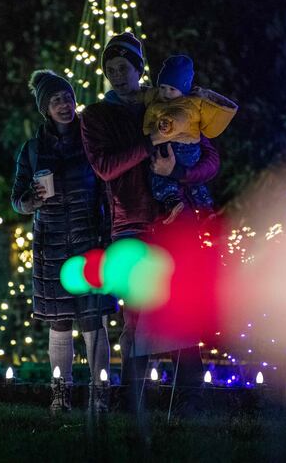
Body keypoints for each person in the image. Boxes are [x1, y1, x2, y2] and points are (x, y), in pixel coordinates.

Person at [80, 32, 229, 416]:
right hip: (130, 222)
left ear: (138, 68)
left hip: (173, 221)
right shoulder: (97, 115)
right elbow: (105, 166)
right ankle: (135, 399)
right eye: (109, 69)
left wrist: (177, 170)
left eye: (123, 67)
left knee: (181, 308)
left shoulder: (167, 101)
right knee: (138, 315)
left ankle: (188, 399)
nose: (116, 75)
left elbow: (210, 160)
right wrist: (148, 144)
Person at [11, 69, 116, 415]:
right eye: (56, 99)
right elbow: (16, 199)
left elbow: (106, 187)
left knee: (92, 318)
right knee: (59, 321)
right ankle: (61, 392)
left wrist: (107, 230)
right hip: (50, 242)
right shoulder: (31, 150)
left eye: (68, 97)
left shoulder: (91, 141)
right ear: (44, 108)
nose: (64, 104)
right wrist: (30, 201)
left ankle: (101, 392)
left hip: (88, 238)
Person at [142, 55, 238, 223]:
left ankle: (171, 200)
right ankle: (207, 210)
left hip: (179, 149)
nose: (165, 93)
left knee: (159, 175)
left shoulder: (185, 106)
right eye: (163, 87)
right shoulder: (166, 100)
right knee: (196, 186)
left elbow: (179, 118)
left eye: (172, 89)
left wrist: (166, 126)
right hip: (191, 152)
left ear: (184, 89)